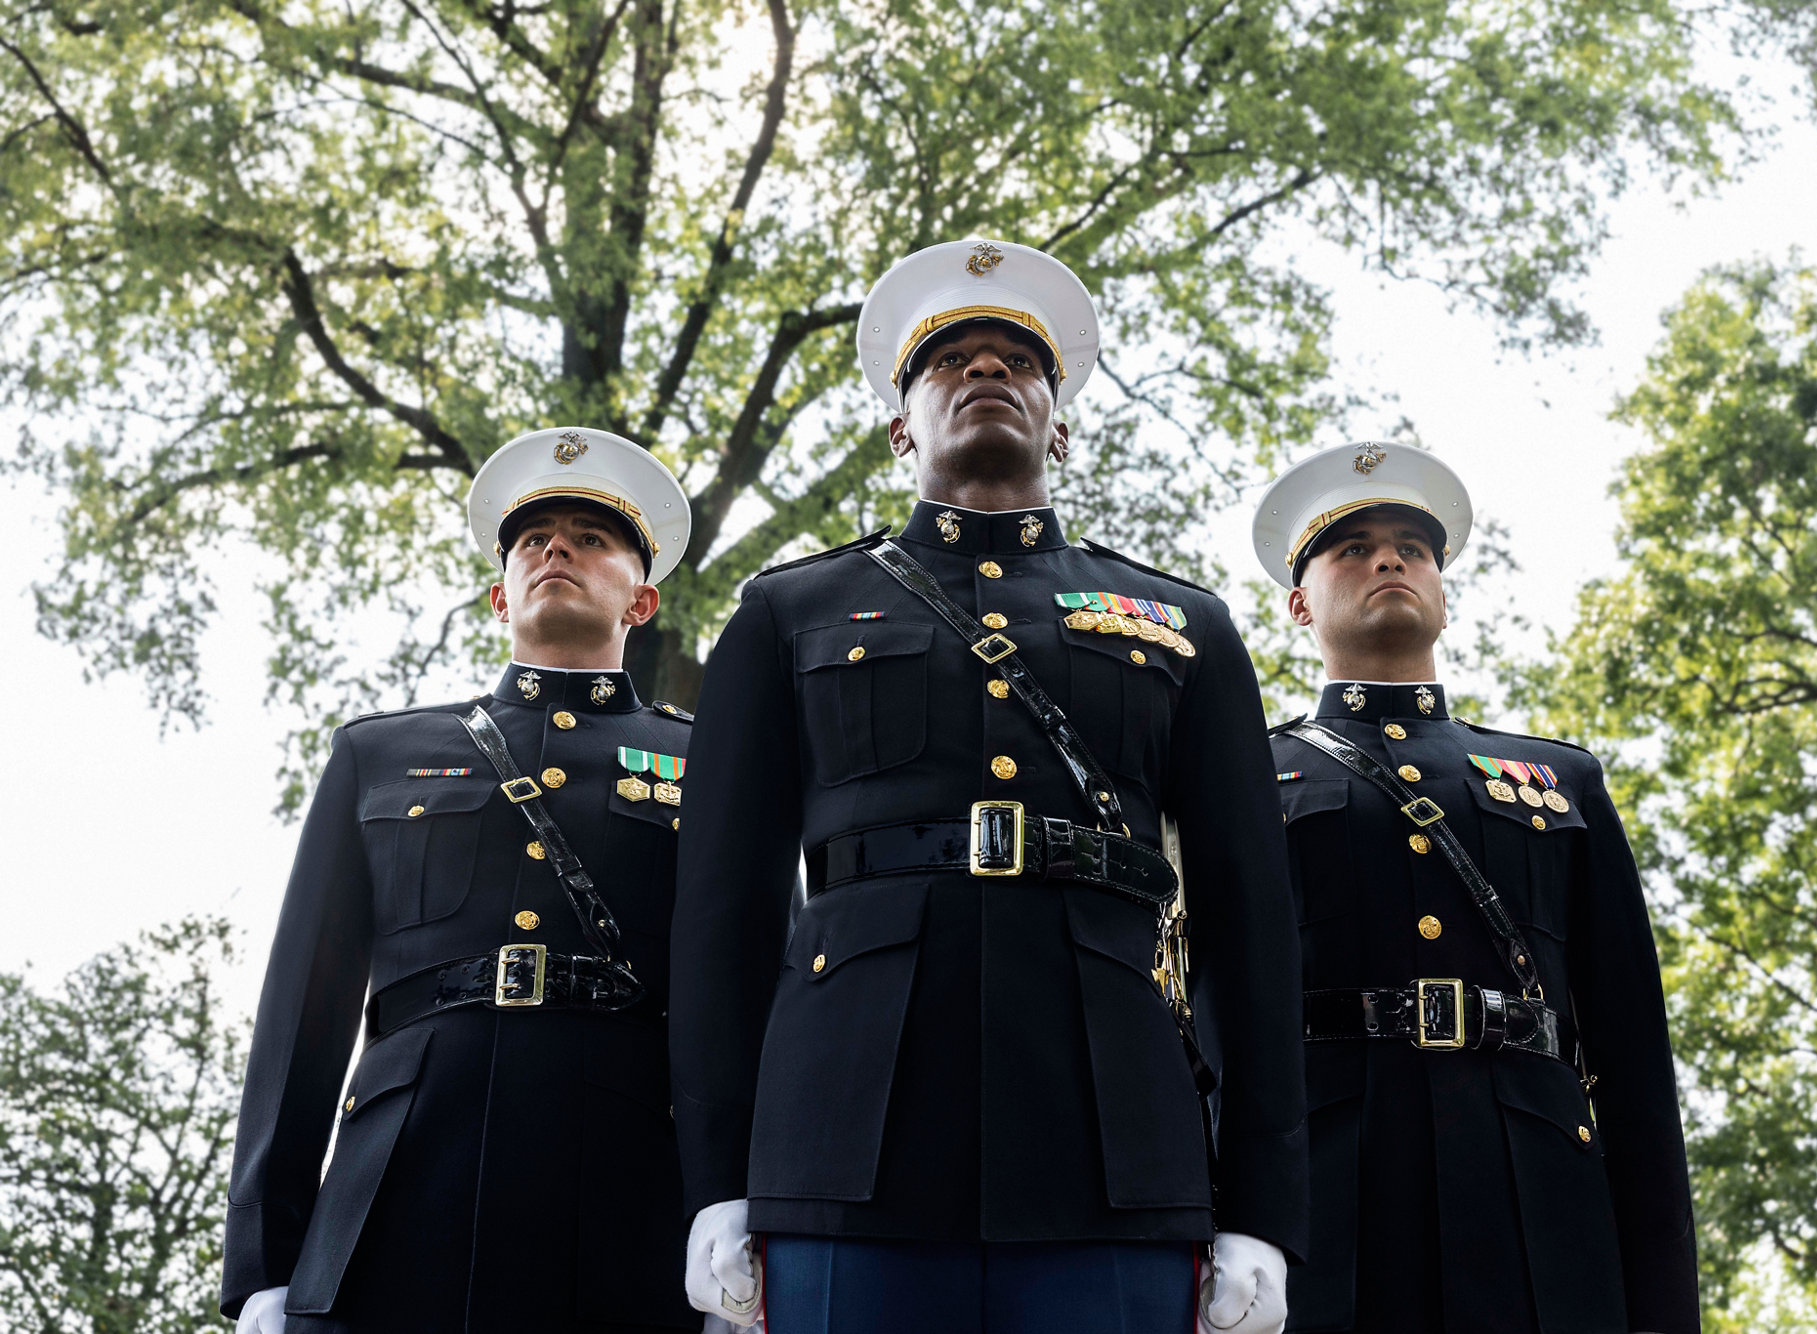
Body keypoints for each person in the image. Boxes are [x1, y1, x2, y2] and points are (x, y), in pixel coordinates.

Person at [669, 239, 1306, 1334]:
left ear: (1058, 424)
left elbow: (1251, 931)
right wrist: (718, 1181)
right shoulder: (789, 610)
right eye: (948, 360)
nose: (985, 371)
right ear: (897, 424)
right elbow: (721, 917)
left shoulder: (1182, 623)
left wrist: (1260, 1206)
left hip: (1117, 1145)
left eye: (1018, 360)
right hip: (841, 1143)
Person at [221, 427, 706, 1333]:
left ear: (640, 601)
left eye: (591, 537)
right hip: (398, 1181)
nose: (556, 548)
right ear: (498, 595)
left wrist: (732, 1221)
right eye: (534, 540)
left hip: (623, 1187)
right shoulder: (381, 754)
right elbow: (302, 1016)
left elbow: (744, 1006)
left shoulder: (711, 761)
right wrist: (263, 1266)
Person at [1254, 441, 1699, 1334]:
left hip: (1535, 1198)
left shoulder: (1557, 778)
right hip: (1332, 1194)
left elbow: (1634, 1062)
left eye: (1413, 548)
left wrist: (1660, 1302)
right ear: (1300, 603)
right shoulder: (1247, 779)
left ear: (1443, 594)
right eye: (1353, 547)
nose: (1389, 559)